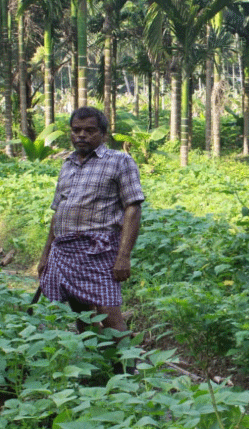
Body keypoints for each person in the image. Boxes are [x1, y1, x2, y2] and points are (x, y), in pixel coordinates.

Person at [38, 107, 144, 370]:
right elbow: (59, 210)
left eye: (90, 130)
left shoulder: (120, 161)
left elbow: (133, 206)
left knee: (110, 316)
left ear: (104, 134)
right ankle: (94, 366)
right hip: (64, 251)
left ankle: (129, 374)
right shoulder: (68, 164)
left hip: (99, 251)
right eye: (76, 130)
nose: (81, 135)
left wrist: (124, 256)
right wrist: (45, 254)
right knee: (81, 315)